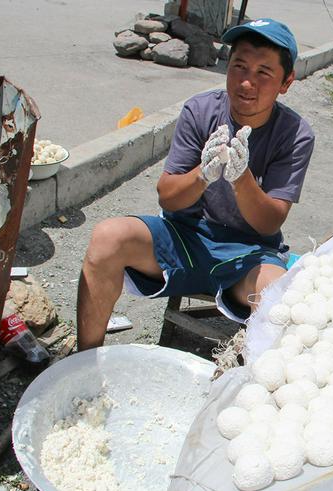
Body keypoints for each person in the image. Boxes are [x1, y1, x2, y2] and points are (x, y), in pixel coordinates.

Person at [76, 18, 315, 350]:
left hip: (249, 254)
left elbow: (270, 221)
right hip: (185, 239)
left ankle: (256, 389)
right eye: (239, 66)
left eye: (264, 73)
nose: (247, 83)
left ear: (286, 82)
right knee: (108, 237)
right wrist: (203, 174)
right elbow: (168, 199)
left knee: (279, 299)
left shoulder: (295, 134)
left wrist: (240, 177)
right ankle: (83, 363)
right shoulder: (200, 110)